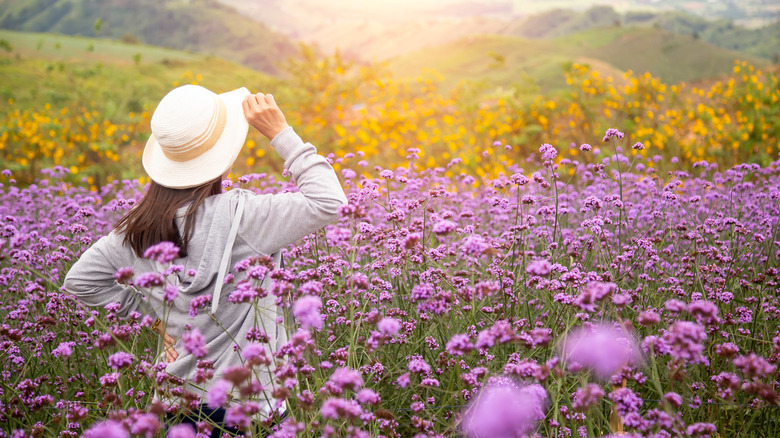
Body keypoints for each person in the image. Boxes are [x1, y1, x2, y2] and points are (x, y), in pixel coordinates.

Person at [63, 84, 347, 436]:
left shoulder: (135, 231)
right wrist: (281, 133)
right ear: (224, 157)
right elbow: (330, 202)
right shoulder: (245, 217)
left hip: (175, 407)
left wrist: (155, 318)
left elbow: (79, 281)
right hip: (250, 409)